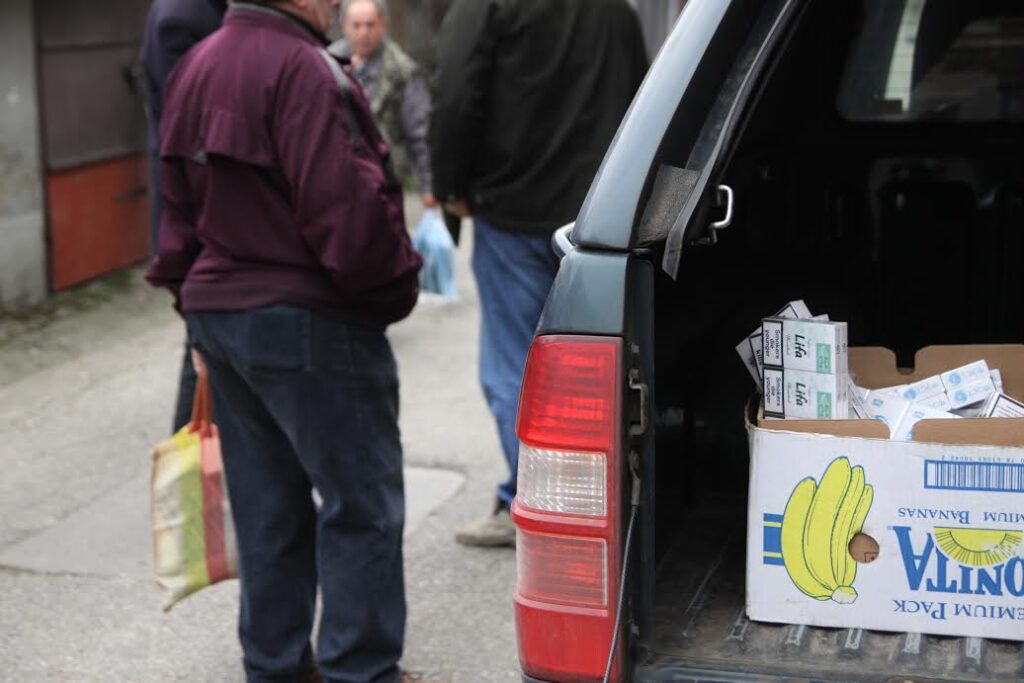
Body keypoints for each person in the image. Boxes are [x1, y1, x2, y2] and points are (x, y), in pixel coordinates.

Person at [146, 1, 422, 681]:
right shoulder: (304, 70)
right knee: (360, 507)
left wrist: (195, 308)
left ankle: (273, 668)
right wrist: (396, 288)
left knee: (268, 508)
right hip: (311, 317)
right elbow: (348, 217)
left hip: (223, 314)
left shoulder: (198, 65)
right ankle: (359, 670)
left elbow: (173, 207)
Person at [431, 0, 649, 547]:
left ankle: (531, 502)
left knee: (516, 366)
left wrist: (451, 185)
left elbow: (455, 93)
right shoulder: (616, 13)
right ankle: (608, 498)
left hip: (513, 211)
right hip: (601, 217)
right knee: (600, 362)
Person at [141, 0, 228, 433]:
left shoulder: (199, 10)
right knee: (203, 349)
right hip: (198, 215)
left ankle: (196, 482)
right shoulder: (182, 17)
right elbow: (188, 130)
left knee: (207, 349)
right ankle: (189, 487)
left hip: (202, 214)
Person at [330, 0, 436, 208]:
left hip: (385, 181)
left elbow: (420, 132)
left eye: (370, 25)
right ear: (343, 26)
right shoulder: (327, 63)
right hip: (338, 181)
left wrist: (429, 186)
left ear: (383, 25)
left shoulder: (401, 70)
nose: (363, 33)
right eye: (357, 25)